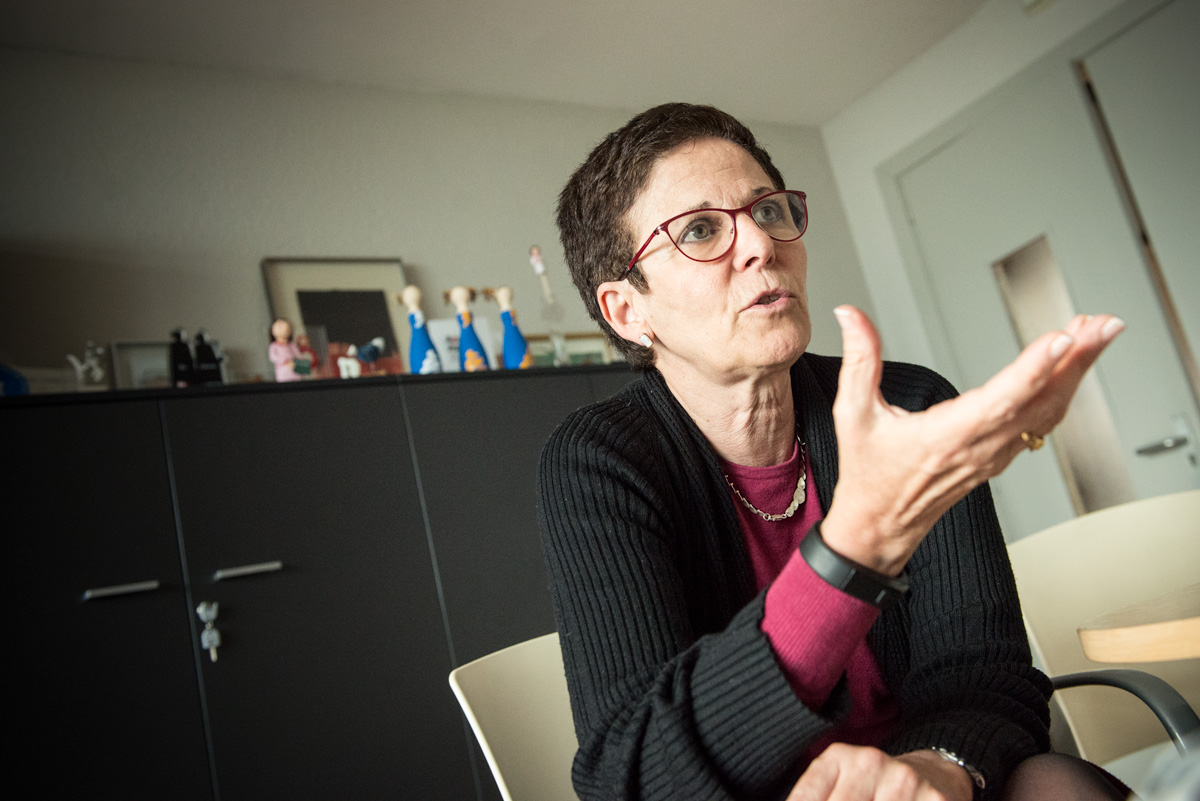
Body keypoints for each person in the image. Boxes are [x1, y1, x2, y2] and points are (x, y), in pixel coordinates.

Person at [537, 104, 1129, 801]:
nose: (762, 244)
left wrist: (936, 770)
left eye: (768, 210)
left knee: (1056, 784)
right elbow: (632, 776)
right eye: (700, 230)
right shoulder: (599, 461)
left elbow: (986, 674)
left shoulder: (908, 403)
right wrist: (858, 543)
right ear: (628, 311)